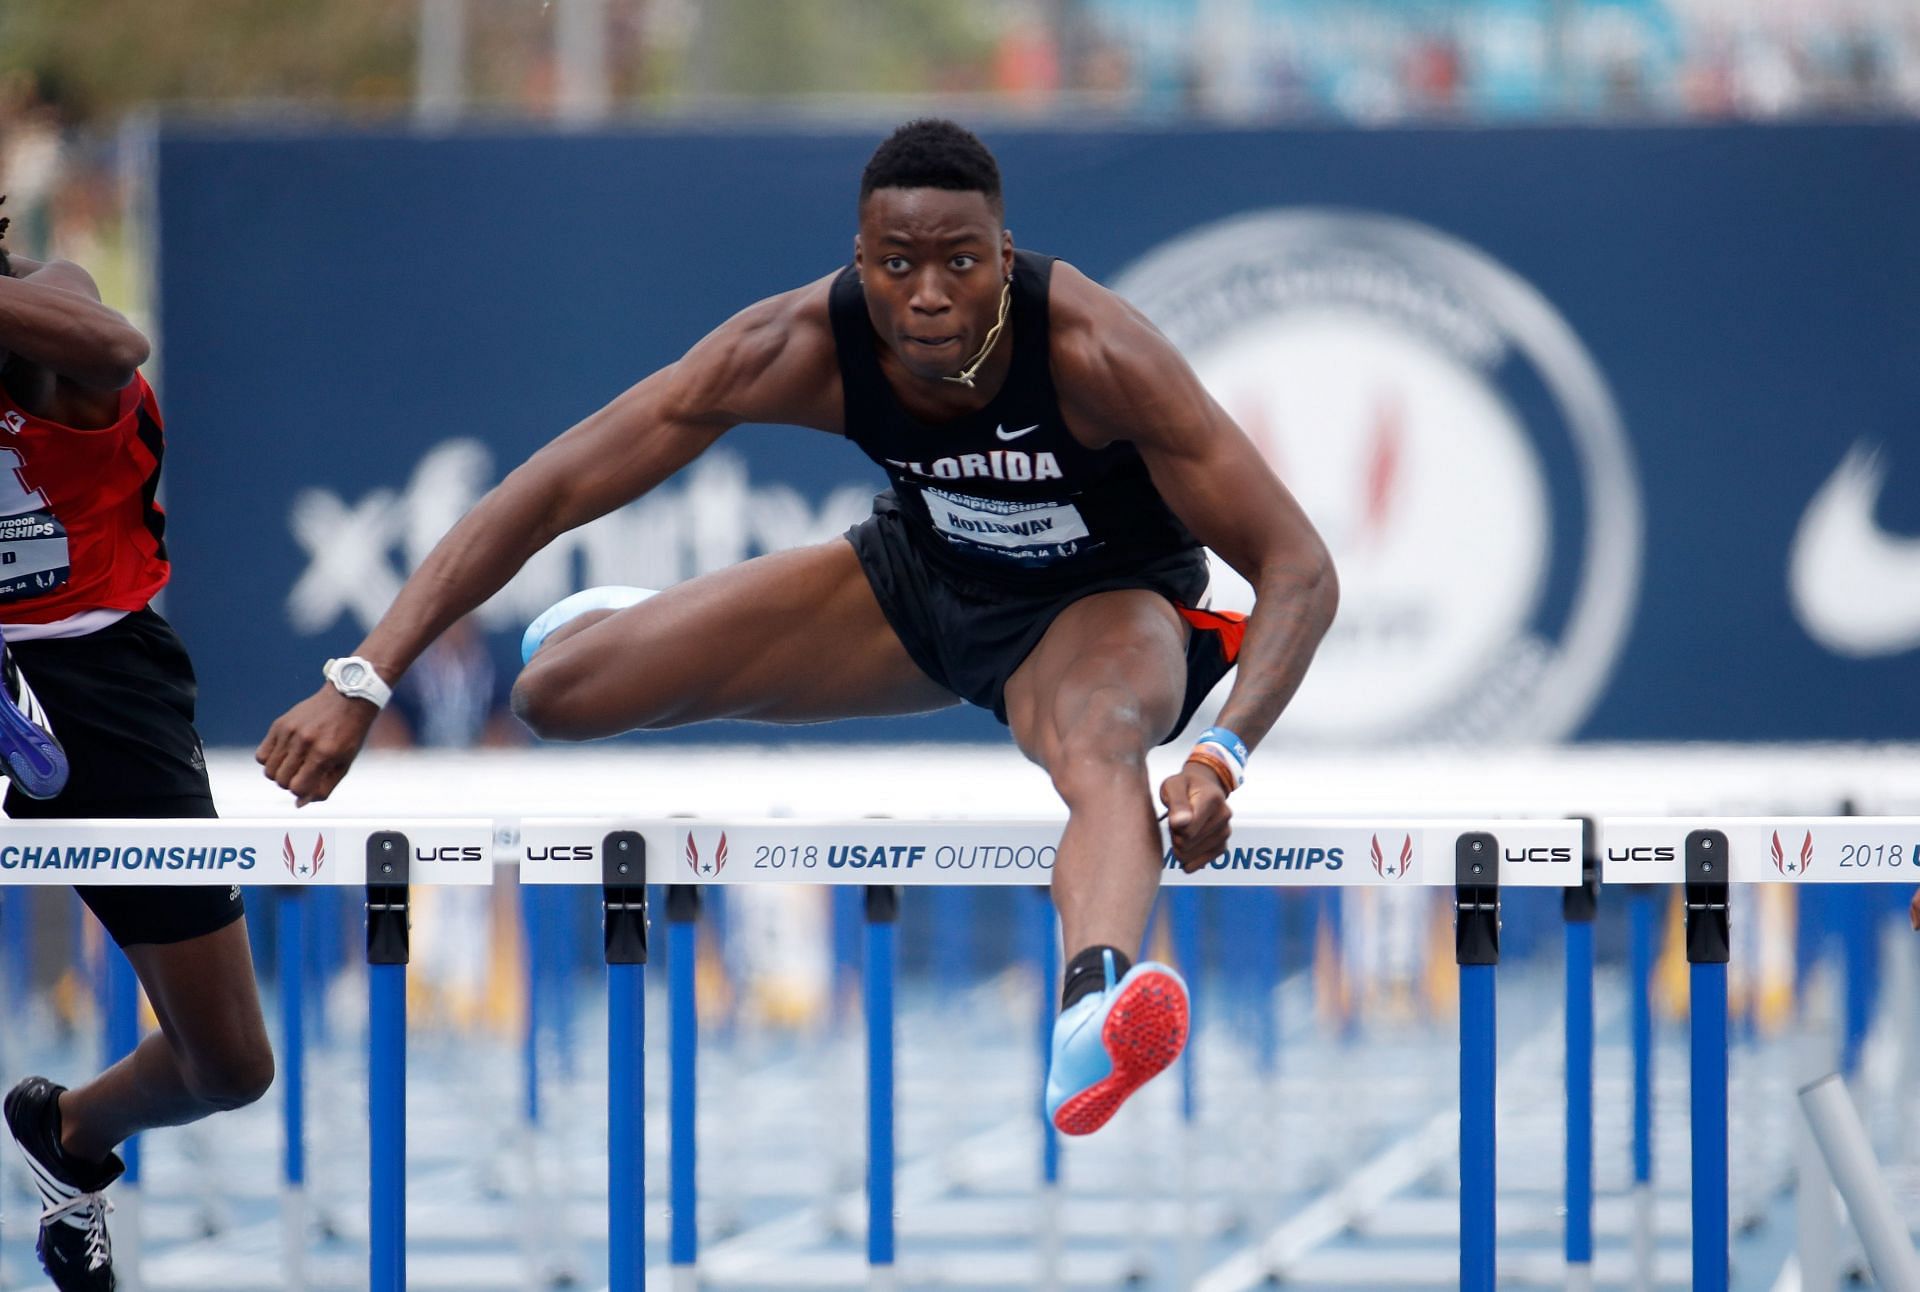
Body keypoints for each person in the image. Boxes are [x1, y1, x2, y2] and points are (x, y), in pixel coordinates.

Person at [259, 119, 1337, 1135]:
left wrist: (1222, 751)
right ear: (859, 261)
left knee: (1103, 741)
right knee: (556, 695)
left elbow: (1299, 567)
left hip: (1104, 608)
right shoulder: (799, 344)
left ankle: (1088, 1011)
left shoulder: (1099, 355)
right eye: (895, 265)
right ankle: (643, 630)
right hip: (923, 584)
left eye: (958, 262)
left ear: (1005, 258)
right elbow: (548, 489)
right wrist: (362, 677)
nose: (925, 296)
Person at [0, 197, 275, 1290]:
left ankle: (66, 1134)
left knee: (230, 1064)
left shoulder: (59, 306)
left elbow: (121, 347)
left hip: (103, 682)